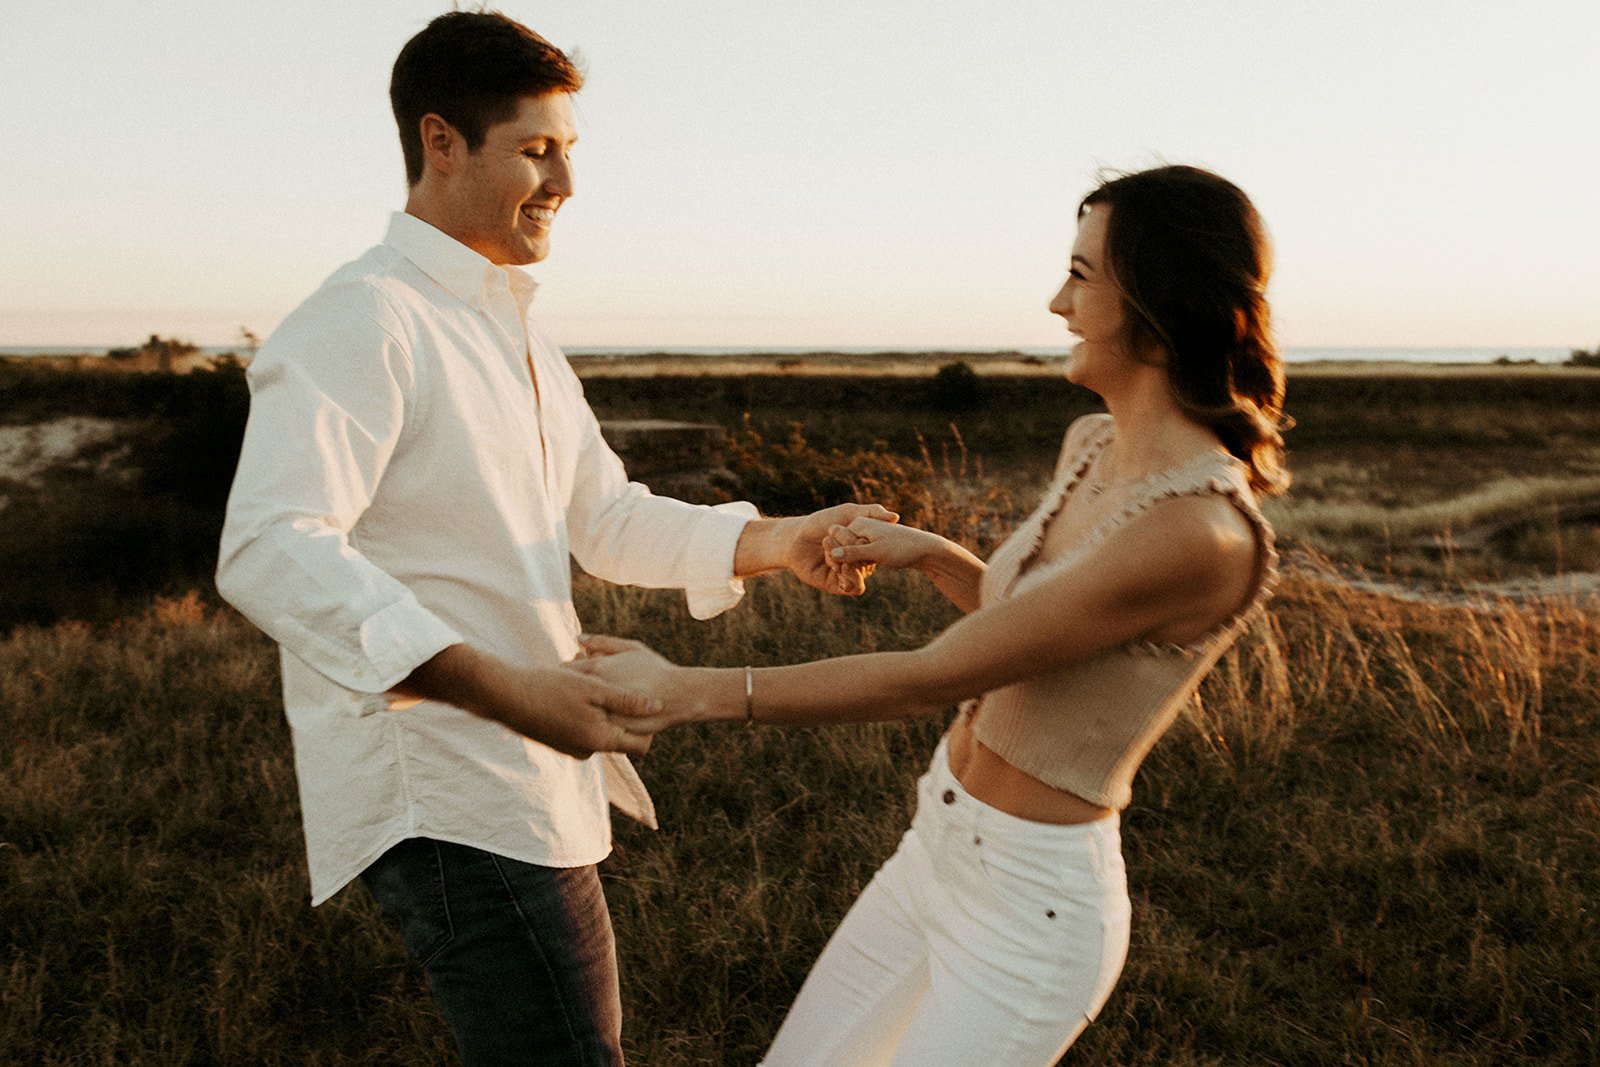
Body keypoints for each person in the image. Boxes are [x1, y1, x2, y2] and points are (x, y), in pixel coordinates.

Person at [214, 11, 890, 1065]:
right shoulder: (365, 316)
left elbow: (602, 516)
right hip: (450, 782)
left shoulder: (510, 323)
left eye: (569, 149)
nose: (566, 180)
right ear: (442, 142)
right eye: (537, 148)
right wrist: (502, 685)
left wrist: (780, 538)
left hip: (524, 774)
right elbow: (269, 544)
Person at [576, 164, 1289, 1064]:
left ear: (1155, 299)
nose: (1055, 302)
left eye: (1081, 274)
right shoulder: (1093, 444)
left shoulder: (1198, 531)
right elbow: (1032, 628)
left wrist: (679, 689)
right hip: (936, 847)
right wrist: (932, 552)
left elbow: (936, 676)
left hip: (1031, 912)